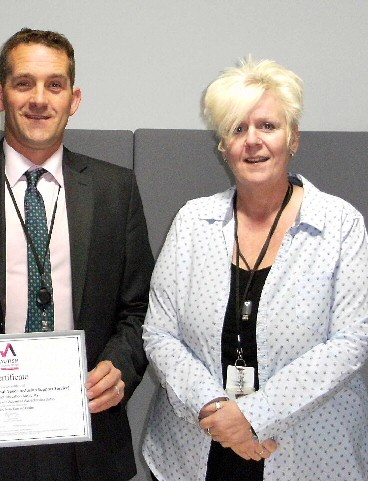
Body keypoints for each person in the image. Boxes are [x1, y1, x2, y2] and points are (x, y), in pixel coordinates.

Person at [0, 28, 154, 481]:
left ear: (74, 99)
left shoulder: (116, 189)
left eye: (54, 85)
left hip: (84, 440)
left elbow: (140, 307)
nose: (39, 99)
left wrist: (119, 368)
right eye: (24, 83)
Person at [142, 57, 368, 481]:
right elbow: (159, 333)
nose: (253, 141)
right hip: (195, 447)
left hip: (307, 453)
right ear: (222, 145)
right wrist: (217, 414)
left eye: (268, 126)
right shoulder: (193, 222)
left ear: (293, 138)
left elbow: (351, 342)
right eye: (237, 129)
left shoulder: (340, 225)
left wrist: (252, 417)